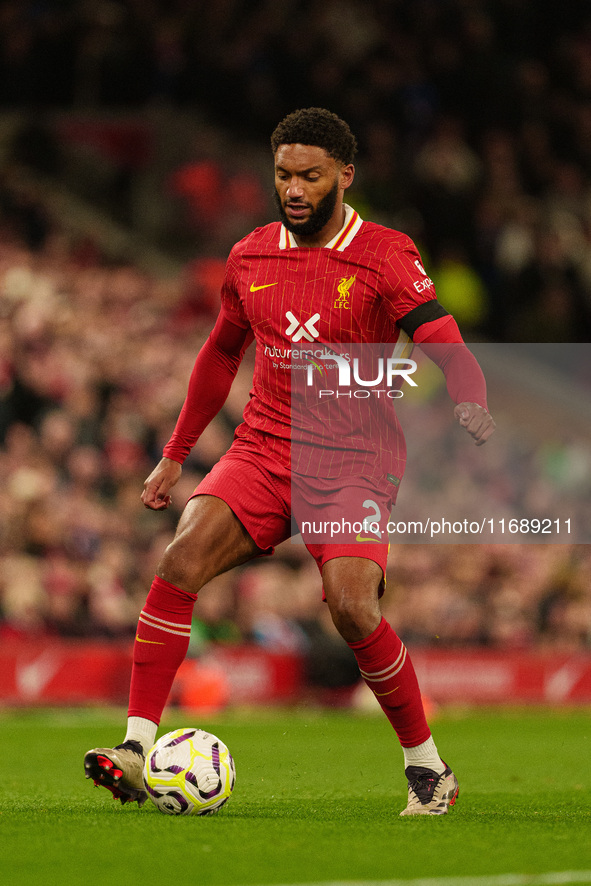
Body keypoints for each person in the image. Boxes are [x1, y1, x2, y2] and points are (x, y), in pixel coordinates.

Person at [84, 107, 495, 816]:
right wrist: (174, 455)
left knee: (352, 608)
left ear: (344, 175)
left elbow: (440, 334)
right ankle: (134, 745)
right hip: (266, 446)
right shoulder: (249, 256)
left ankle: (426, 768)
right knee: (180, 561)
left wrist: (469, 397)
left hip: (354, 459)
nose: (294, 188)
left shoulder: (386, 253)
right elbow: (219, 354)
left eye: (309, 175)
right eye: (282, 174)